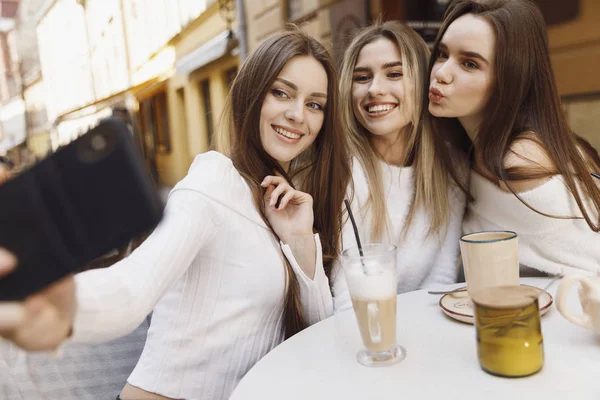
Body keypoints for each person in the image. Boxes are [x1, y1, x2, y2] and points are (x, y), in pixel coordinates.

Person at [0, 27, 350, 400]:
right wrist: (66, 308)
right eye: (281, 92)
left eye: (315, 104)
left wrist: (299, 238)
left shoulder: (281, 199)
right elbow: (134, 285)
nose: (298, 115)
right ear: (251, 95)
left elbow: (317, 330)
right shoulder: (212, 182)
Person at [427, 0, 600, 276]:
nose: (441, 73)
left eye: (469, 63)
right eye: (442, 54)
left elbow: (583, 264)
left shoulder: (521, 159)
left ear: (509, 79)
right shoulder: (471, 149)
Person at [331, 21, 467, 312]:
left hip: (423, 329)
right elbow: (345, 295)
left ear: (422, 83)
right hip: (363, 336)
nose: (374, 89)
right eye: (362, 77)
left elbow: (441, 276)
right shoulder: (341, 171)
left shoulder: (452, 165)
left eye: (394, 74)